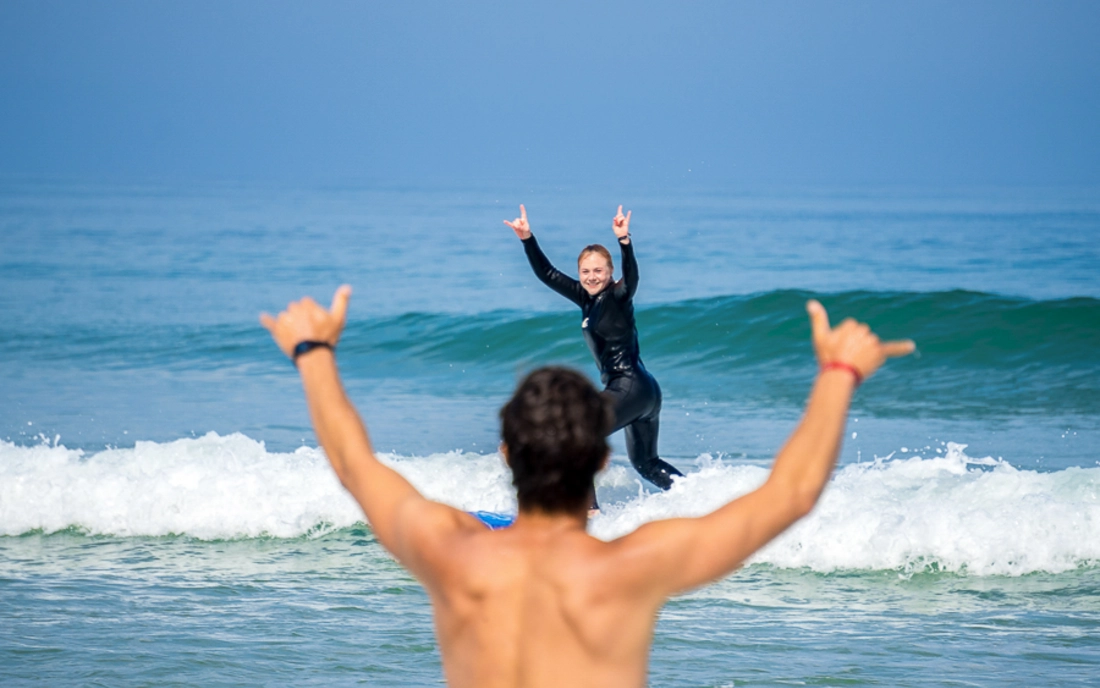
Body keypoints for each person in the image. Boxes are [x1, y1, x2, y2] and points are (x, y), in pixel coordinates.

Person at [261, 285, 913, 688]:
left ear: (508, 454)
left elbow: (353, 463)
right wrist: (838, 372)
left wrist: (314, 353)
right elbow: (790, 495)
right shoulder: (629, 569)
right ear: (601, 462)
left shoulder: (449, 551)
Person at [505, 205, 682, 493]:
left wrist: (625, 242)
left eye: (598, 270)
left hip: (629, 387)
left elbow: (633, 278)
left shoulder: (617, 296)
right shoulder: (585, 299)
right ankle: (699, 499)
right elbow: (548, 274)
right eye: (585, 271)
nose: (591, 277)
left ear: (611, 273)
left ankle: (590, 515)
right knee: (647, 464)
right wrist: (527, 239)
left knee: (576, 440)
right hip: (642, 392)